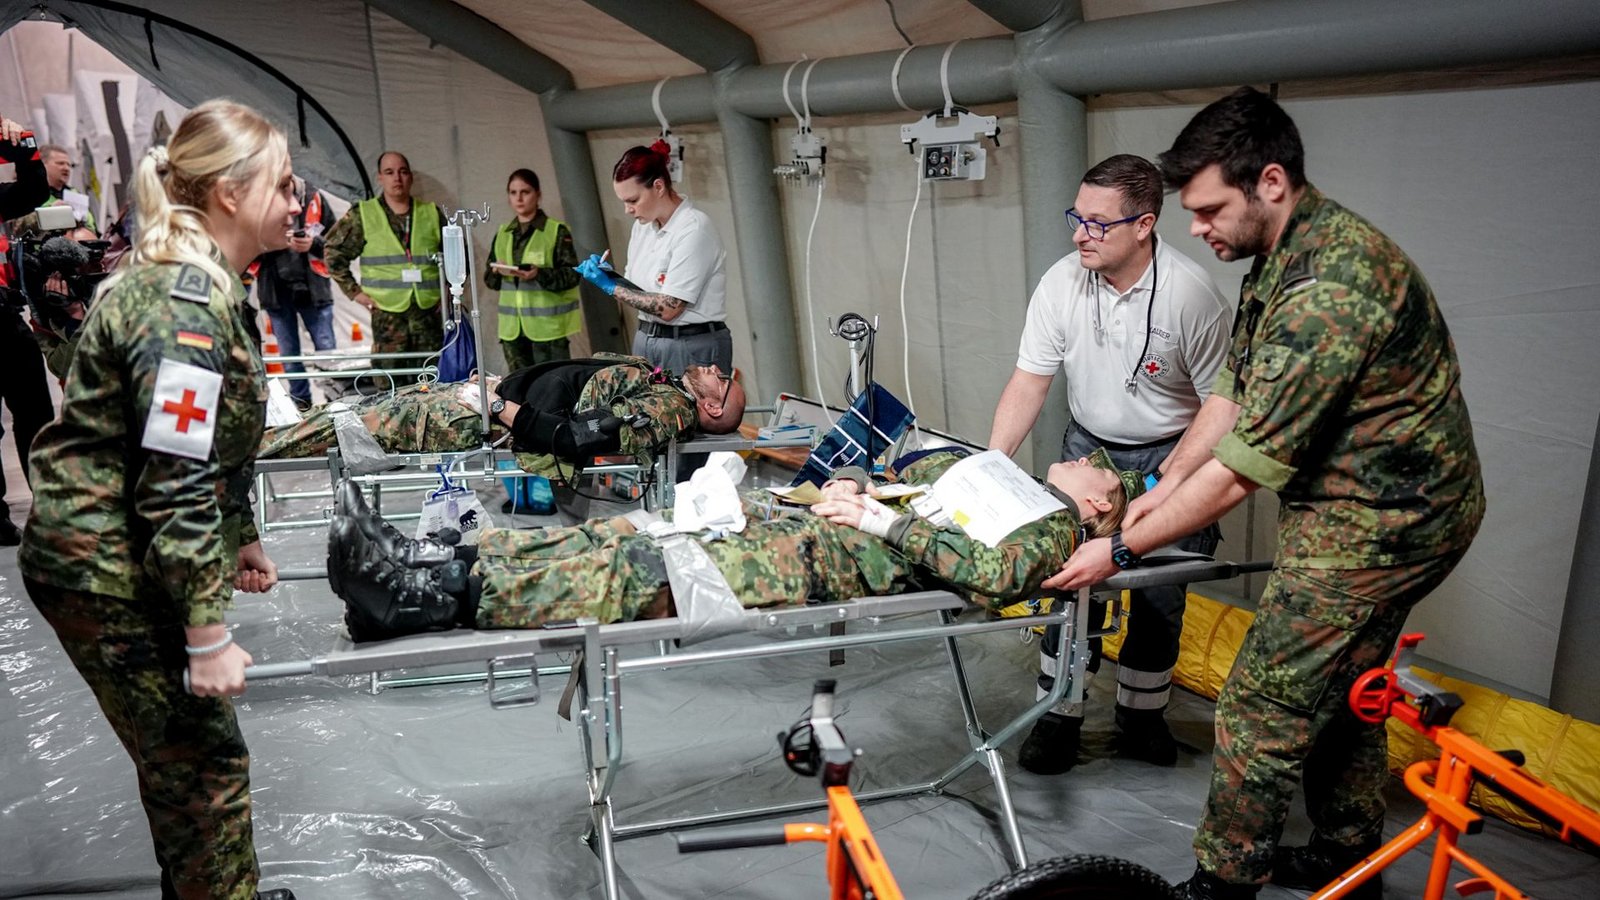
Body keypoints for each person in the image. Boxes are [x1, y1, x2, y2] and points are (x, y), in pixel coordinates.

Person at [1046, 87, 1485, 900]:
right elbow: (1231, 391)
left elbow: (1245, 469)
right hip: (1359, 499)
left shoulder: (1332, 287)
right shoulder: (1281, 257)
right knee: (1346, 683)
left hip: (1391, 519)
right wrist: (1162, 483)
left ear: (1271, 182)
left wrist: (1119, 546)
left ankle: (1225, 880)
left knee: (1263, 697)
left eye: (1210, 209)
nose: (1196, 228)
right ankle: (1349, 855)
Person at [18, 100, 299, 900]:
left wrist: (239, 532)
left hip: (112, 548)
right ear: (231, 196)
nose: (293, 204)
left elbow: (206, 448)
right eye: (281, 187)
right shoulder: (185, 305)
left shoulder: (205, 285)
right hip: (102, 565)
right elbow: (172, 478)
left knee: (189, 765)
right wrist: (206, 635)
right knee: (201, 770)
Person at [325, 446, 1139, 642]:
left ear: (1099, 496)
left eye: (1083, 460)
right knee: (625, 530)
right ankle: (437, 565)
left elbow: (995, 575)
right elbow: (902, 480)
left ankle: (427, 601)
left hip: (818, 560)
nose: (1065, 454)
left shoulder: (1051, 524)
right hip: (805, 525)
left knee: (634, 571)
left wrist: (884, 523)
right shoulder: (1005, 479)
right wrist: (865, 488)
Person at [987, 154, 1233, 775]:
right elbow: (1029, 380)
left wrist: (1168, 486)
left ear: (1144, 224)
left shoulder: (1191, 296)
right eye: (1077, 217)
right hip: (1087, 449)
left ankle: (1142, 718)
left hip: (1174, 450)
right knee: (1072, 589)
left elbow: (1220, 409)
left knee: (1158, 597)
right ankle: (1058, 714)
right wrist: (991, 464)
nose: (1079, 234)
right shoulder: (1061, 281)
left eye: (1098, 223)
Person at [257, 353, 745, 476]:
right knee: (350, 414)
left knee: (346, 425)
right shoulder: (658, 381)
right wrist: (497, 387)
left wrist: (496, 406)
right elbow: (570, 384)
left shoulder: (666, 408)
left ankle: (242, 453)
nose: (714, 368)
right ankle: (248, 446)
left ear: (712, 406)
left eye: (719, 379)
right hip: (483, 398)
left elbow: (577, 438)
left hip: (478, 418)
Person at [577, 145, 730, 375]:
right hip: (649, 337)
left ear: (658, 186)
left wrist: (610, 286)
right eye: (623, 202)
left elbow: (669, 308)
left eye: (633, 200)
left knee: (689, 411)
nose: (628, 210)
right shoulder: (644, 227)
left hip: (690, 344)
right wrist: (612, 276)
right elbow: (638, 292)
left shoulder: (694, 229)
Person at [324, 151, 444, 371]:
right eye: (389, 172)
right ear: (380, 177)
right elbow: (333, 252)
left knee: (432, 377)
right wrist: (355, 292)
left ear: (410, 177)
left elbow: (456, 256)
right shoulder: (364, 214)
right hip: (387, 318)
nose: (396, 178)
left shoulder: (432, 213)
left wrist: (446, 292)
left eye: (402, 172)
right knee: (391, 382)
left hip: (427, 316)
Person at [0, 115, 54, 545]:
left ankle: (49, 500)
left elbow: (35, 191)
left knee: (36, 411)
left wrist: (24, 146)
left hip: (3, 317)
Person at [484, 168, 583, 371]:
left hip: (548, 331)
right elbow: (489, 280)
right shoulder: (503, 233)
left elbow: (573, 275)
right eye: (513, 192)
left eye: (525, 192)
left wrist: (540, 274)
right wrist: (496, 271)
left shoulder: (555, 231)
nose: (519, 198)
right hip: (513, 331)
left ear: (538, 194)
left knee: (553, 389)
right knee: (518, 391)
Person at [253, 175, 337, 408]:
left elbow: (336, 238)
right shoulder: (260, 200)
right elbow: (249, 239)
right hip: (276, 292)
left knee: (327, 355)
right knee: (290, 358)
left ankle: (336, 403)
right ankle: (301, 406)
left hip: (315, 291)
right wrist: (273, 242)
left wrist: (314, 244)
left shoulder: (315, 197)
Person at [39, 143, 97, 233]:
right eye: (60, 163)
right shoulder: (30, 194)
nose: (66, 168)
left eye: (68, 165)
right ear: (43, 165)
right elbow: (19, 227)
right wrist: (50, 212)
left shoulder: (76, 195)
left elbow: (92, 227)